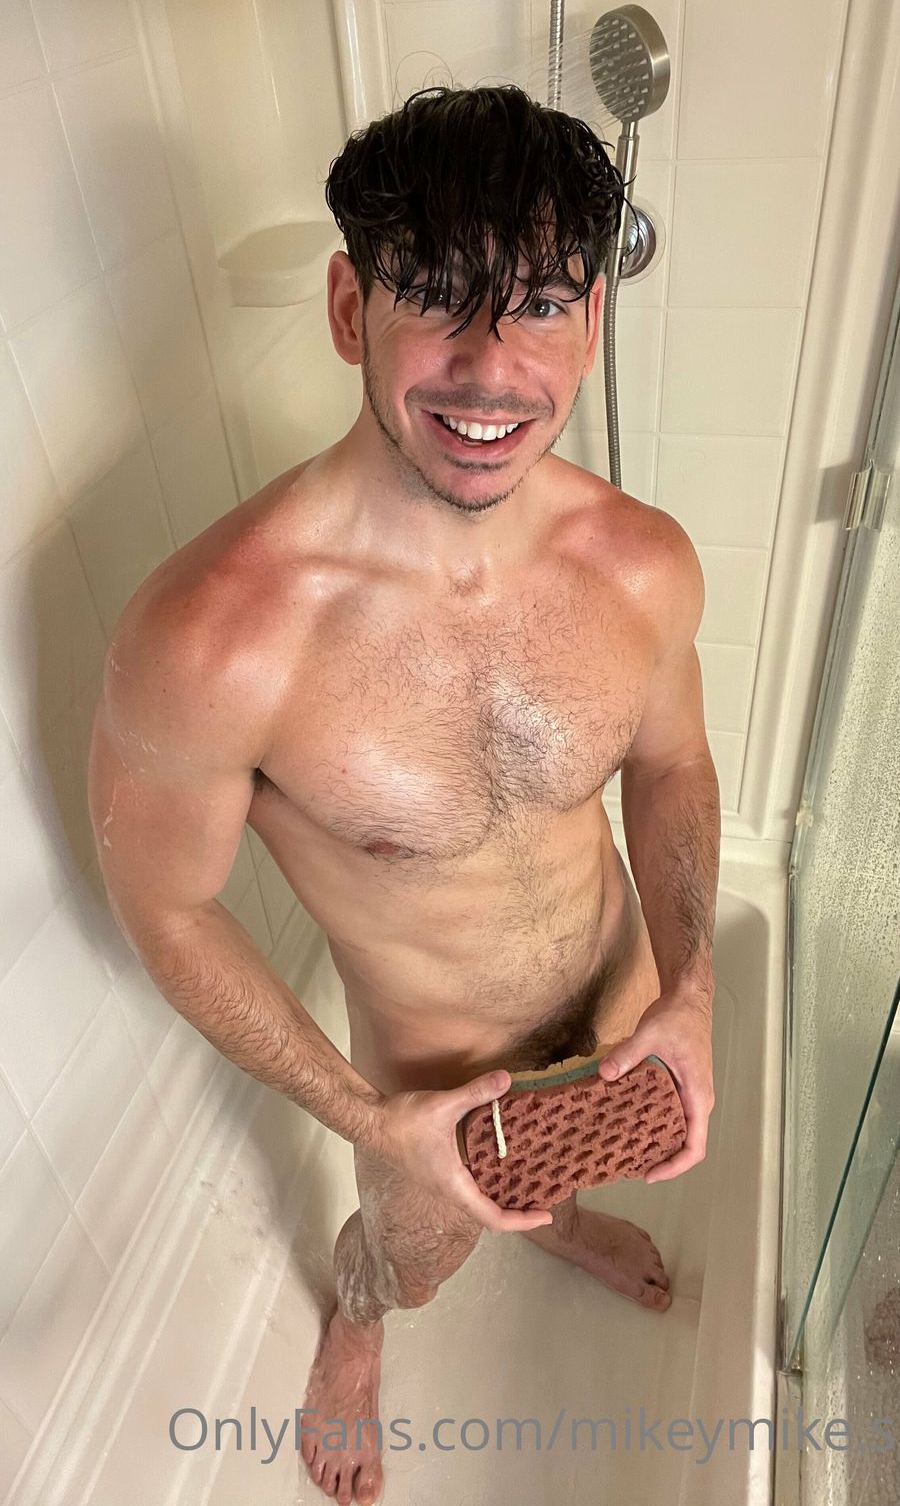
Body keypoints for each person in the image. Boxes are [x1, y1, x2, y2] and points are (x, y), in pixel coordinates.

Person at [88, 85, 721, 1506]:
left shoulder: (640, 563)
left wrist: (688, 994)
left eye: (540, 303)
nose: (491, 372)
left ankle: (559, 1218)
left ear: (593, 322)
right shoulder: (214, 636)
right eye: (435, 295)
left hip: (626, 1004)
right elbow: (168, 909)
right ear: (346, 307)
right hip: (427, 1100)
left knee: (578, 1168)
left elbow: (674, 763)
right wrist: (372, 1125)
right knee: (409, 1266)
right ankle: (357, 1325)